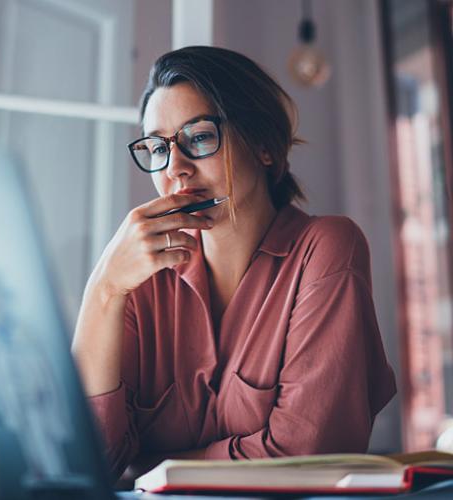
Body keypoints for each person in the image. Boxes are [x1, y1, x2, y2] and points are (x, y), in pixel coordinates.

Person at [72, 46, 396, 481]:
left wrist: (152, 468)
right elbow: (88, 463)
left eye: (200, 137)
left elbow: (306, 455)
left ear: (263, 144)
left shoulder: (326, 248)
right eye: (157, 148)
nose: (176, 171)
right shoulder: (139, 280)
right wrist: (104, 290)